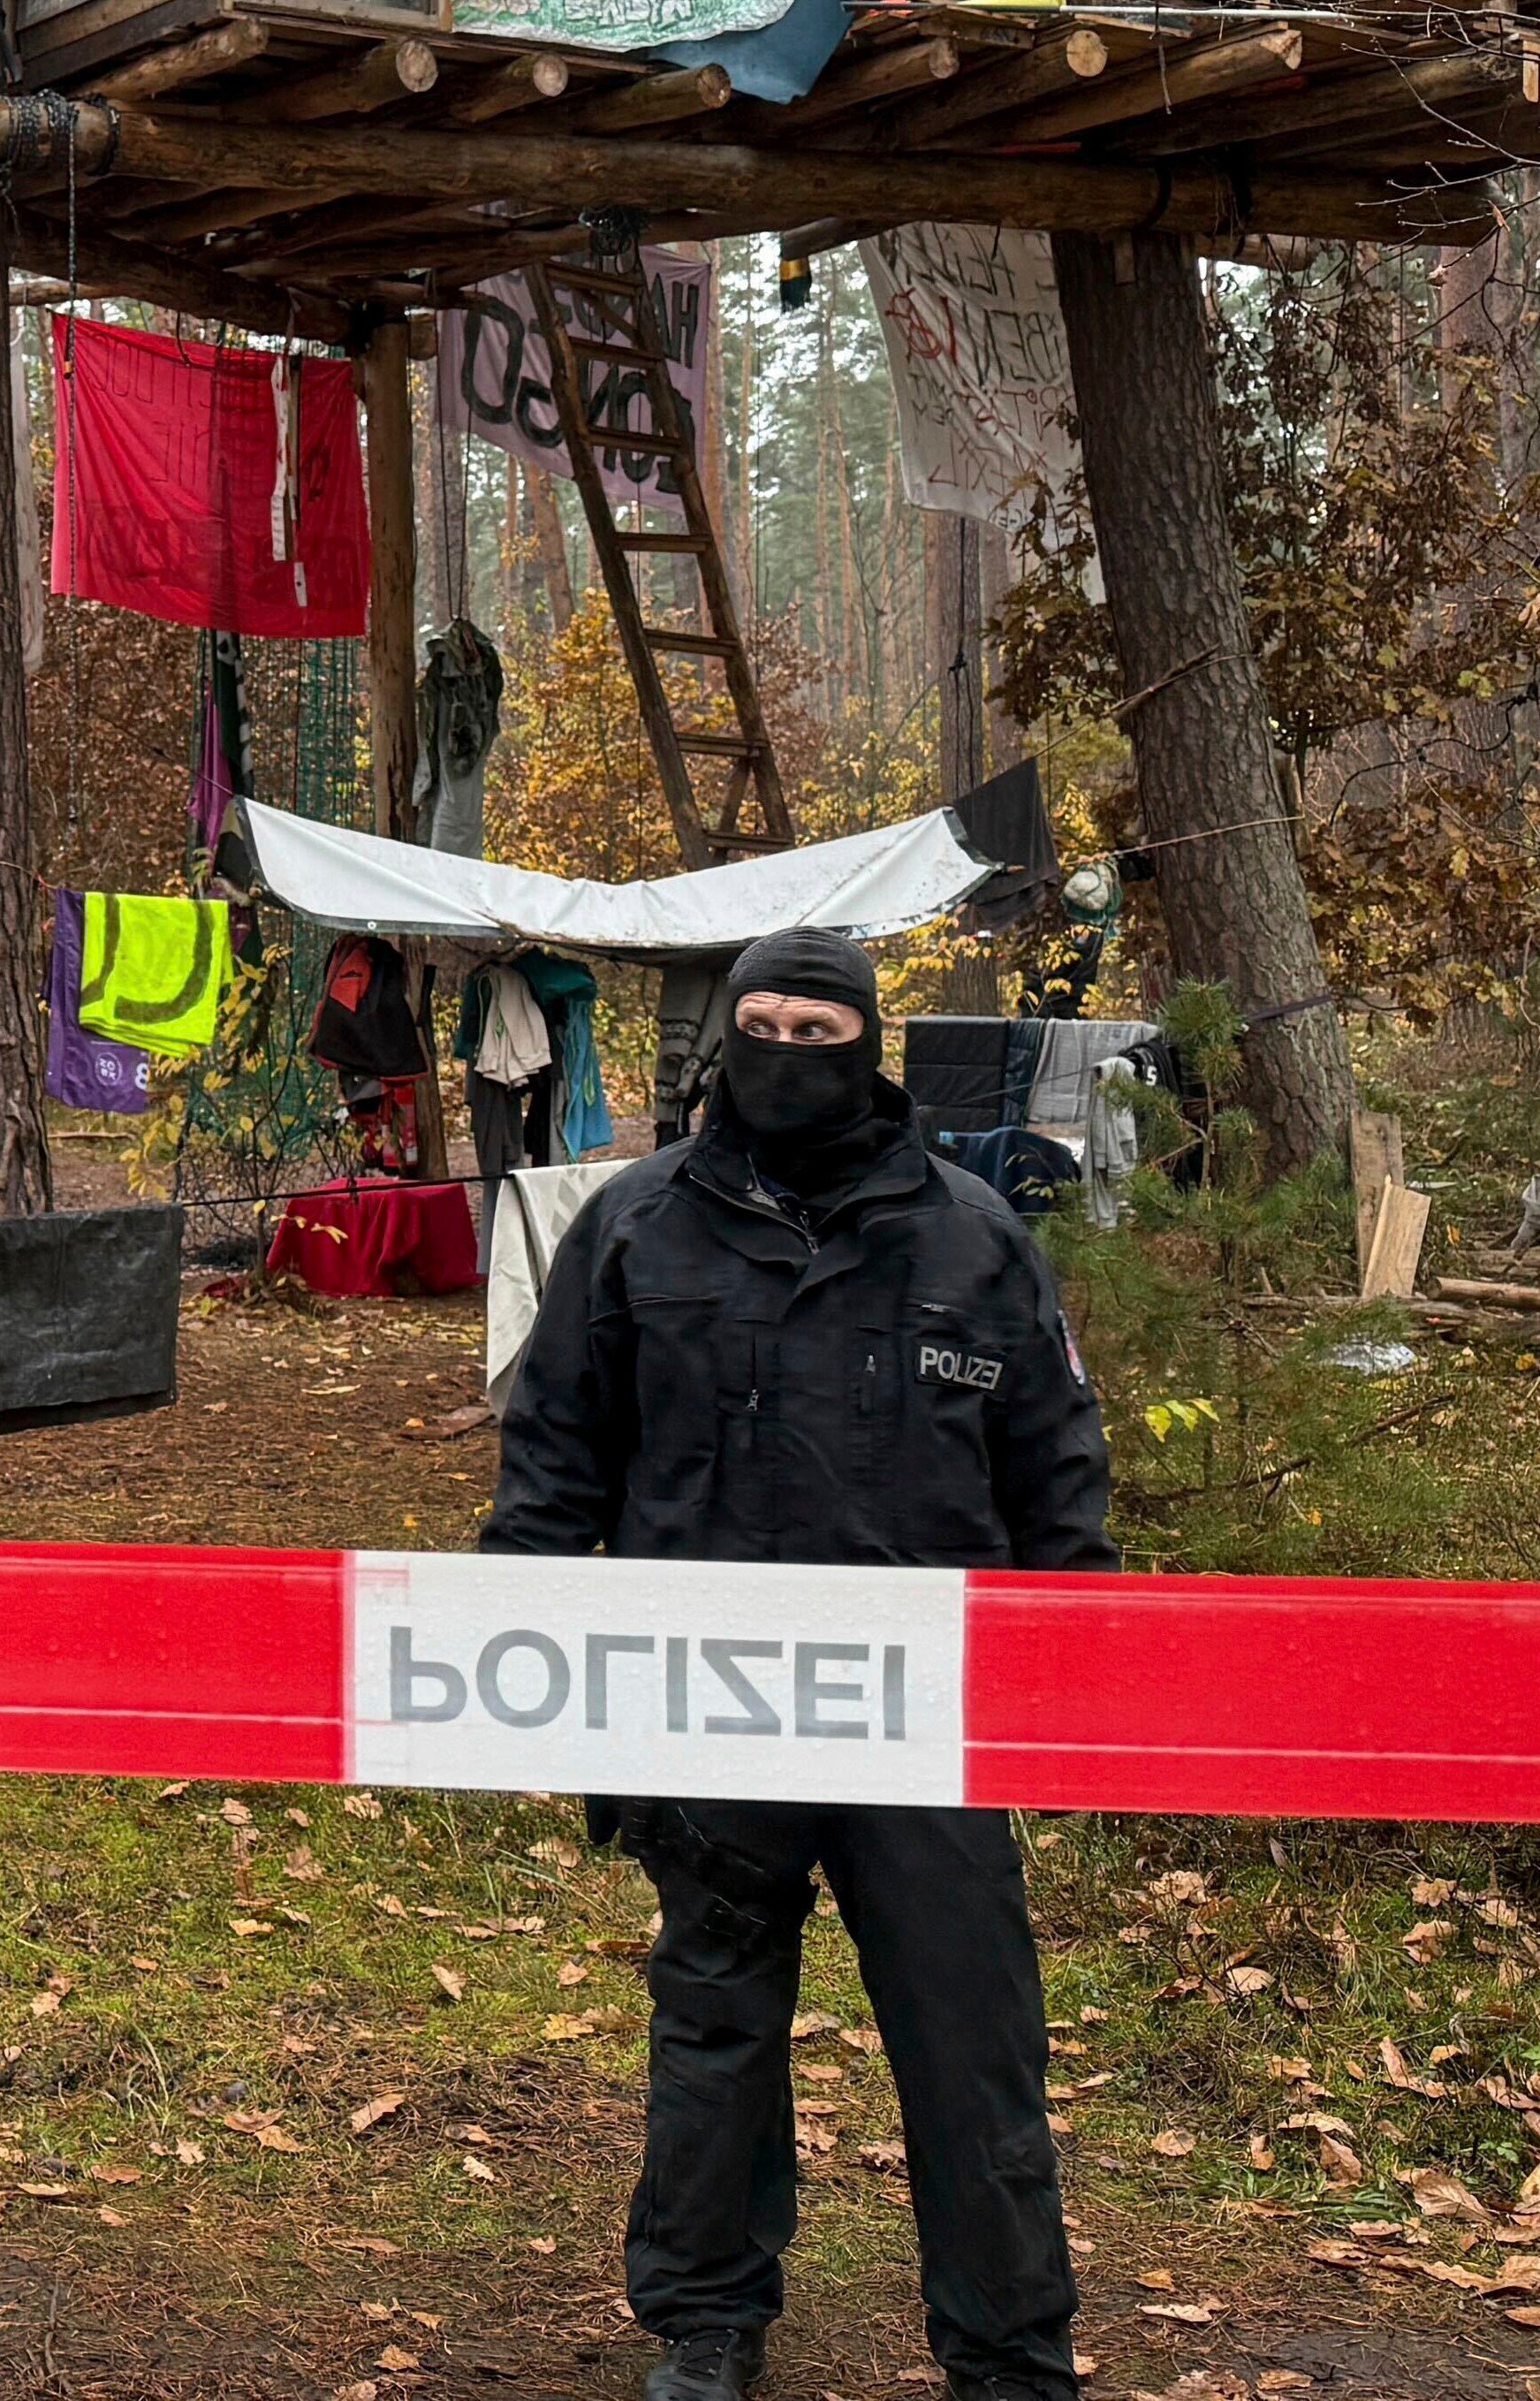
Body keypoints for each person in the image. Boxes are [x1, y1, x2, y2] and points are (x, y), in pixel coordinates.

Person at [486, 927, 1113, 2401]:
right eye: (758, 1020)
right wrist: (504, 1634)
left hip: (924, 1721)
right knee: (712, 2027)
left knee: (971, 2044)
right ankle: (703, 2322)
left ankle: (1007, 2348)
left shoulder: (971, 1234)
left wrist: (1084, 1657)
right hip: (699, 1705)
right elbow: (556, 1447)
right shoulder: (633, 1226)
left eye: (814, 1027)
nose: (783, 1047)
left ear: (865, 1044)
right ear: (724, 1038)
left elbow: (1053, 1463)